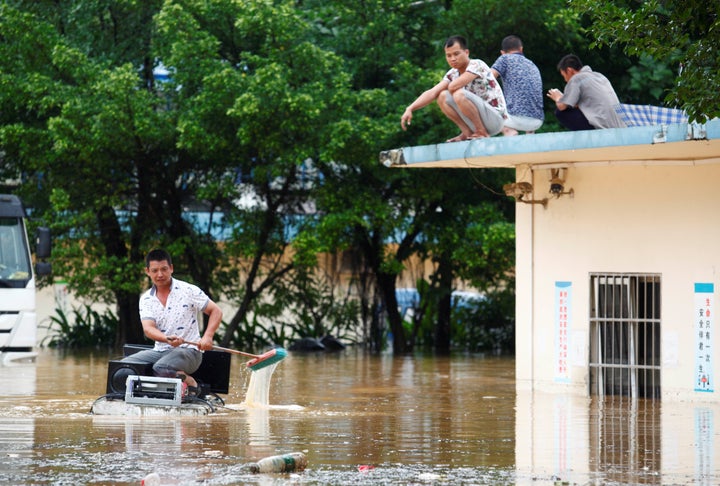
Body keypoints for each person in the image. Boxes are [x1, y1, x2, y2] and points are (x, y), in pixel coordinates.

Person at [122, 248, 223, 397]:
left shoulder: (188, 290)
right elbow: (148, 329)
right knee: (124, 366)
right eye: (155, 270)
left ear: (171, 268)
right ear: (147, 271)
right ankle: (147, 395)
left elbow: (216, 311)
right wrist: (166, 339)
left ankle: (192, 384)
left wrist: (208, 336)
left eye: (164, 269)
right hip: (160, 351)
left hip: (190, 351)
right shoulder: (146, 299)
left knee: (162, 367)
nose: (160, 274)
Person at [401, 35, 507, 142]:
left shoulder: (477, 64)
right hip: (481, 118)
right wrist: (410, 108)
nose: (453, 59)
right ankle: (467, 133)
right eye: (449, 55)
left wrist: (449, 86)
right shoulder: (452, 74)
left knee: (458, 94)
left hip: (496, 119)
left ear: (466, 53)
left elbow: (453, 87)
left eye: (456, 54)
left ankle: (481, 132)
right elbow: (432, 92)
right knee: (442, 97)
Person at [546, 54, 626, 131]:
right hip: (618, 125)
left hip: (601, 126)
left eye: (564, 76)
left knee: (560, 112)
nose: (565, 80)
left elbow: (561, 106)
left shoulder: (577, 79)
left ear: (569, 70)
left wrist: (558, 97)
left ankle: (589, 137)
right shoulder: (599, 76)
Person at [490, 35, 544, 136]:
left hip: (514, 118)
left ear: (502, 52)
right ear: (521, 49)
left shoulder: (504, 58)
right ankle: (530, 134)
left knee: (483, 99)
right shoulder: (532, 64)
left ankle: (507, 130)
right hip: (537, 120)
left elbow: (487, 78)